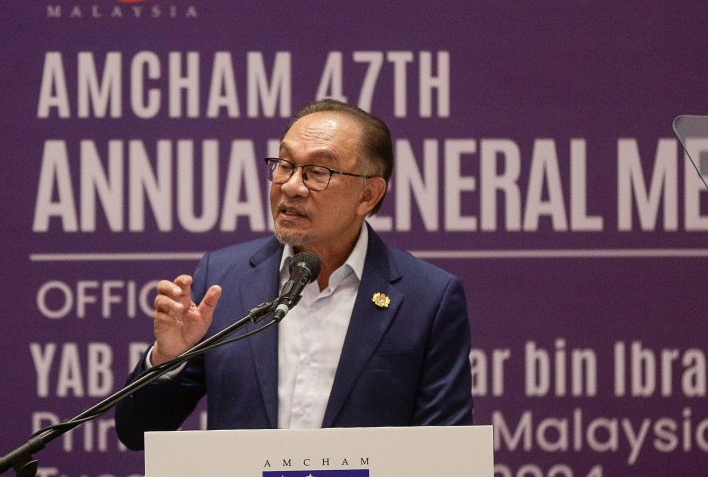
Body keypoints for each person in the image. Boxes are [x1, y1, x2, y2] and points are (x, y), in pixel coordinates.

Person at [115, 100, 473, 449]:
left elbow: (446, 453)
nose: (290, 186)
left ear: (368, 194)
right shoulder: (225, 279)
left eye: (318, 172)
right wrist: (166, 360)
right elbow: (138, 432)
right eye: (284, 164)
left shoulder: (428, 298)